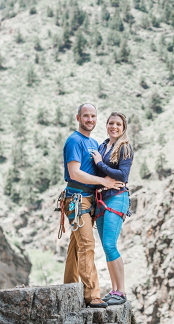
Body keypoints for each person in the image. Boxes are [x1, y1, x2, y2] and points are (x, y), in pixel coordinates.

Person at [62, 103, 124, 308]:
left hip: (89, 199)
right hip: (77, 199)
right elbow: (75, 173)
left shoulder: (93, 142)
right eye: (86, 116)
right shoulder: (74, 141)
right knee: (87, 244)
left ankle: (69, 287)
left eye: (93, 116)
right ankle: (92, 296)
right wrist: (104, 182)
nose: (90, 119)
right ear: (78, 118)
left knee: (76, 244)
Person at [90, 112, 133, 305]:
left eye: (118, 124)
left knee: (109, 244)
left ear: (123, 128)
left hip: (117, 198)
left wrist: (100, 163)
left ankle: (121, 292)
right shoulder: (102, 146)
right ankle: (115, 290)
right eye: (111, 123)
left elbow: (122, 176)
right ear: (106, 125)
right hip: (101, 199)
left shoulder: (125, 148)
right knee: (107, 249)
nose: (114, 127)